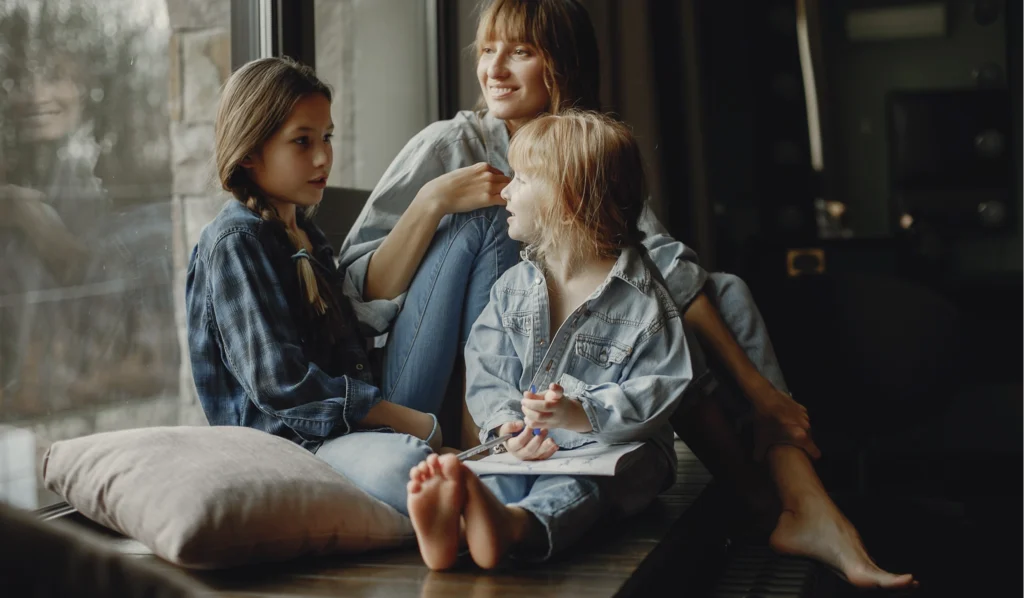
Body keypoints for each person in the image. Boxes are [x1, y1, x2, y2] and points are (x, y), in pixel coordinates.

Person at [357, 0, 912, 587]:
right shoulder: (451, 142)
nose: (493, 69)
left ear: (560, 64)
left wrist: (761, 394)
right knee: (557, 259)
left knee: (723, 291)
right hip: (473, 377)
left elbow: (656, 261)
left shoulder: (580, 151)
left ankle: (795, 496)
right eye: (487, 49)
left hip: (561, 388)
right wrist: (433, 201)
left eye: (519, 51)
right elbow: (361, 290)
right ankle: (762, 501)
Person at [407, 110, 694, 570]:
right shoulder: (512, 289)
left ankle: (516, 526)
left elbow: (662, 384)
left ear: (568, 200)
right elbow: (488, 367)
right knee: (501, 471)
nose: (506, 191)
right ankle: (463, 522)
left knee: (584, 487)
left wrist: (581, 413)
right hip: (531, 446)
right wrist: (507, 427)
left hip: (615, 449)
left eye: (521, 180)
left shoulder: (642, 299)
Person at [186, 57, 444, 516]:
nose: (323, 157)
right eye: (302, 141)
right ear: (249, 152)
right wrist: (405, 420)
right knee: (411, 468)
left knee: (469, 230)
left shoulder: (304, 232)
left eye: (327, 137)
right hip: (298, 447)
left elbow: (345, 347)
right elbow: (282, 385)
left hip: (351, 426)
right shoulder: (235, 242)